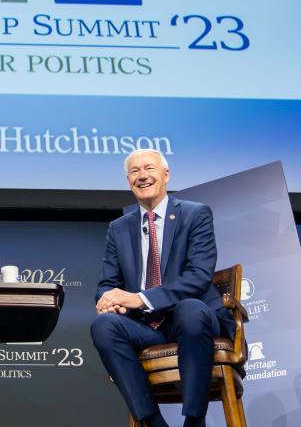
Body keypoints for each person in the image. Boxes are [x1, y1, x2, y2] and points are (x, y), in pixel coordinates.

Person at [90, 149, 234, 427]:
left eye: (149, 169)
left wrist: (140, 299)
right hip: (147, 329)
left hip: (192, 324)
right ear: (128, 180)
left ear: (166, 175)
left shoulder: (195, 214)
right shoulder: (118, 228)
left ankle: (194, 420)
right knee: (104, 326)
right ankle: (153, 422)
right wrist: (112, 300)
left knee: (191, 309)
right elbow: (107, 284)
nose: (142, 176)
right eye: (134, 172)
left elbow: (198, 277)